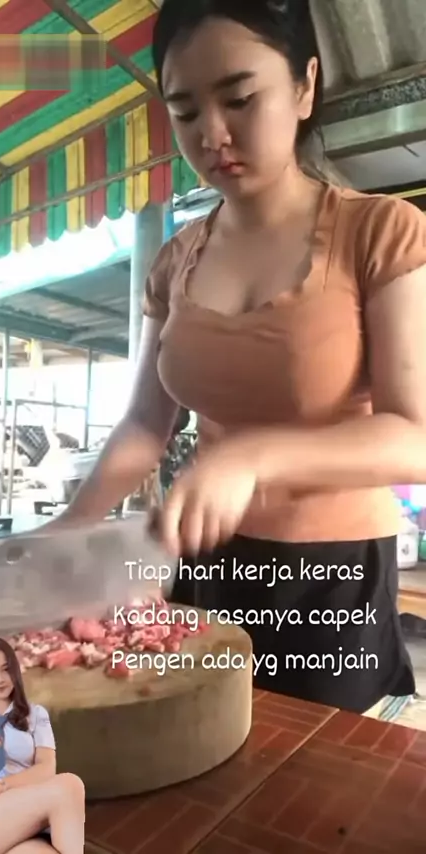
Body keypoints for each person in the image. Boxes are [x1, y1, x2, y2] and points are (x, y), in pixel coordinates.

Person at [53, 0, 426, 715]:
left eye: (240, 98)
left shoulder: (381, 232)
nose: (212, 134)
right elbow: (145, 425)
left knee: (308, 769)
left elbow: (415, 436)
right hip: (203, 557)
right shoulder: (174, 261)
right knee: (197, 737)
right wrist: (70, 526)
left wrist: (252, 458)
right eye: (185, 111)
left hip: (330, 578)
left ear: (305, 87)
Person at [0, 636, 85, 854]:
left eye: (5, 669)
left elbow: (46, 768)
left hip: (25, 806)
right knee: (70, 785)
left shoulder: (36, 715)